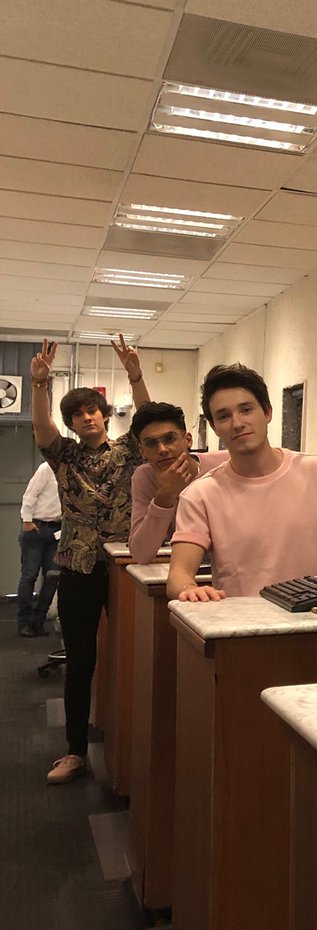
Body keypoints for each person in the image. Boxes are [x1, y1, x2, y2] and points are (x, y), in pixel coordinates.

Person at [31, 336, 151, 785]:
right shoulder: (64, 456)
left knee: (135, 657)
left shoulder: (128, 451)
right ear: (73, 424)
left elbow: (149, 419)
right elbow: (42, 428)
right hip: (79, 567)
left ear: (103, 414)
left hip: (126, 565)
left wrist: (135, 376)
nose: (86, 417)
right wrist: (38, 386)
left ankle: (135, 747)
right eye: (77, 415)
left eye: (91, 411)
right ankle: (75, 751)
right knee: (81, 663)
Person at [166, 364, 317, 601]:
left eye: (246, 410)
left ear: (267, 412)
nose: (237, 423)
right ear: (214, 427)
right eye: (224, 416)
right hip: (246, 621)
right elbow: (179, 575)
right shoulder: (200, 495)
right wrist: (189, 589)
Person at [127, 402, 228, 564]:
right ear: (143, 451)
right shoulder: (145, 477)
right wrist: (164, 497)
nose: (162, 449)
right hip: (191, 569)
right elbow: (141, 554)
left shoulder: (224, 463)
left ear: (188, 440)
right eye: (151, 443)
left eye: (169, 439)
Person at [17, 461, 61, 637]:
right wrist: (27, 520)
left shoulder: (71, 470)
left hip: (57, 530)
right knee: (29, 576)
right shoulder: (46, 468)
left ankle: (38, 621)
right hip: (36, 527)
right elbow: (30, 494)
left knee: (52, 577)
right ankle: (23, 623)